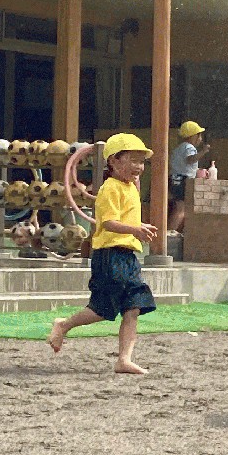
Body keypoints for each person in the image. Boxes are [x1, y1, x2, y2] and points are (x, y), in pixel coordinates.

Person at [47, 133, 159, 375]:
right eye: (133, 160)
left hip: (128, 256)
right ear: (114, 161)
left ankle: (124, 360)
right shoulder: (109, 188)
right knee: (102, 309)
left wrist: (138, 228)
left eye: (141, 161)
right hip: (109, 256)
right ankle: (64, 325)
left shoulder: (130, 187)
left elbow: (124, 218)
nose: (139, 167)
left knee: (133, 307)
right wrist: (136, 230)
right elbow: (107, 222)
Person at [169, 119, 206, 237]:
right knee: (182, 209)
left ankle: (171, 231)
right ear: (193, 136)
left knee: (178, 207)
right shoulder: (189, 147)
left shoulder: (179, 148)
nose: (200, 139)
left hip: (174, 179)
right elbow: (190, 159)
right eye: (199, 136)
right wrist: (203, 152)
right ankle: (170, 232)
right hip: (183, 180)